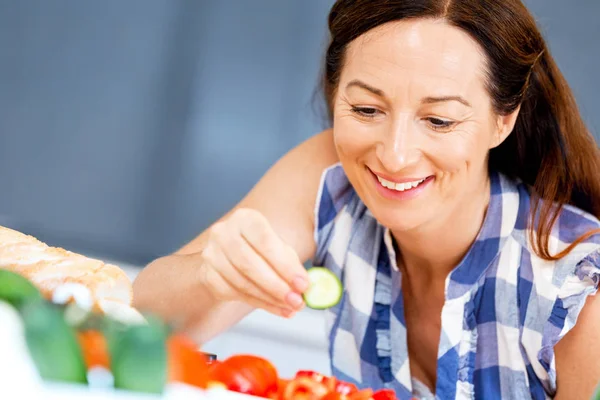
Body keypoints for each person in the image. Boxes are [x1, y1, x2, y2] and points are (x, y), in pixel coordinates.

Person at [132, 0, 600, 398]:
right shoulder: (328, 176)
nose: (394, 156)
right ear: (336, 96)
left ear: (504, 120)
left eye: (439, 120)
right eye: (366, 110)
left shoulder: (580, 290)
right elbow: (136, 327)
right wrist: (212, 276)